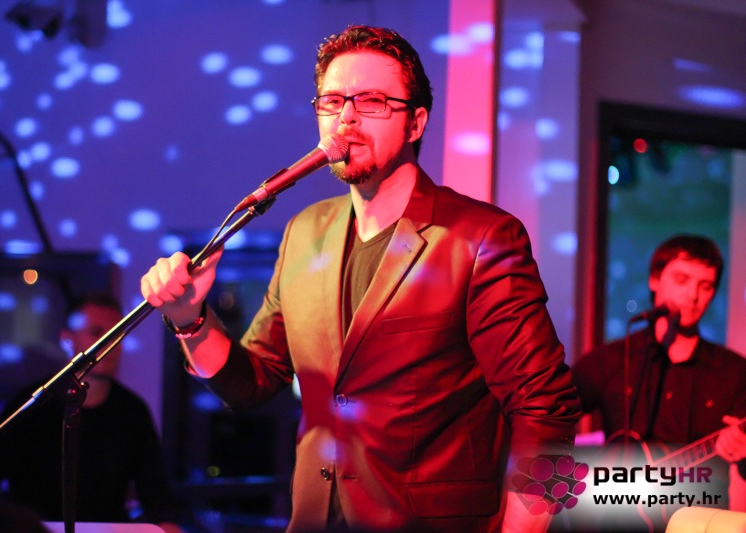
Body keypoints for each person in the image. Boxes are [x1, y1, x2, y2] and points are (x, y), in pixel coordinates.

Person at [141, 25, 580, 532]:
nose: (346, 117)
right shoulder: (305, 232)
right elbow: (255, 381)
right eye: (332, 101)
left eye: (372, 101)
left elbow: (546, 408)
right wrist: (189, 319)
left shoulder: (480, 237)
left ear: (415, 123)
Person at [0, 292, 184, 531]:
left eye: (116, 334)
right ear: (66, 338)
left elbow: (156, 495)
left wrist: (167, 525)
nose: (110, 344)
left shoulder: (132, 411)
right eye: (97, 332)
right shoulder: (32, 404)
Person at [571, 235, 746, 529]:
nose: (693, 295)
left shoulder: (734, 371)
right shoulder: (612, 360)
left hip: (697, 523)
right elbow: (549, 416)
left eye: (705, 286)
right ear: (654, 280)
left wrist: (743, 451)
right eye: (682, 279)